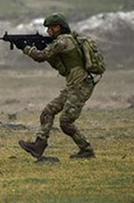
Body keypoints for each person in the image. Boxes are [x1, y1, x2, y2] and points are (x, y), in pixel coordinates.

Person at [18, 13, 97, 159]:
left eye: (50, 28)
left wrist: (25, 48)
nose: (48, 32)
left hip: (81, 86)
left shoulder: (63, 41)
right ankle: (39, 146)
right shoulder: (65, 40)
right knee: (48, 112)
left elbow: (40, 56)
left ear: (57, 27)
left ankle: (87, 149)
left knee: (66, 122)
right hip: (74, 86)